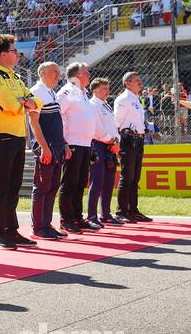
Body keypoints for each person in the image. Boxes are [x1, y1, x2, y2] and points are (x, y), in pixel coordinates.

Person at [0, 34, 46, 248]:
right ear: (3, 55)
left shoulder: (15, 77)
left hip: (19, 135)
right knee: (1, 186)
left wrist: (26, 101)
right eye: (14, 51)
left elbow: (38, 101)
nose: (17, 54)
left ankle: (11, 230)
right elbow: (11, 106)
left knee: (14, 186)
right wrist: (25, 102)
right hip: (2, 135)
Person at [29, 62, 69, 240]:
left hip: (57, 146)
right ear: (43, 72)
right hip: (46, 147)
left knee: (52, 186)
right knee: (42, 186)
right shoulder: (37, 91)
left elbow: (57, 123)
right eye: (55, 72)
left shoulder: (51, 92)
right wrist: (44, 147)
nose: (58, 76)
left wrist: (65, 144)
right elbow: (34, 121)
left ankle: (47, 223)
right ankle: (38, 227)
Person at [56, 62, 97, 234]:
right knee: (70, 183)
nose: (89, 75)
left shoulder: (83, 92)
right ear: (77, 75)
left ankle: (78, 217)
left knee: (80, 183)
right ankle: (66, 219)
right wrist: (63, 142)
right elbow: (57, 116)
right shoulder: (66, 92)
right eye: (86, 73)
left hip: (85, 144)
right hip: (72, 143)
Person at [114, 71, 152, 222]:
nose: (140, 83)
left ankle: (132, 209)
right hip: (129, 139)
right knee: (127, 176)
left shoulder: (136, 98)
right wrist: (116, 141)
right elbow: (117, 122)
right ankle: (121, 211)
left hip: (139, 139)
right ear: (127, 83)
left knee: (135, 177)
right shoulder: (123, 99)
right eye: (137, 80)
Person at [86, 78, 122, 227]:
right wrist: (111, 141)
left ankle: (106, 214)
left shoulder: (106, 105)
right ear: (94, 90)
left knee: (108, 182)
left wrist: (116, 142)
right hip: (98, 145)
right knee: (97, 181)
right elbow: (97, 128)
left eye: (108, 88)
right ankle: (91, 216)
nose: (107, 91)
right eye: (103, 89)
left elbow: (114, 127)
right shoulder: (92, 105)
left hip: (111, 145)